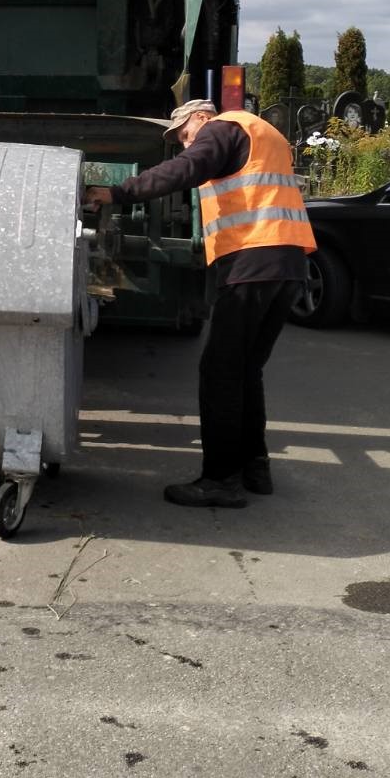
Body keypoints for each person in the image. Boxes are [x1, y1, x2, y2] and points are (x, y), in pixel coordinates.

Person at [86, 98, 315, 508]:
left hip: (253, 259)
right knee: (246, 369)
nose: (184, 144)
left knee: (220, 372)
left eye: (183, 135)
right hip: (288, 262)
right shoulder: (262, 132)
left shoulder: (222, 128)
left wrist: (118, 192)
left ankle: (221, 480)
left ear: (199, 118)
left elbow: (188, 169)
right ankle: (254, 467)